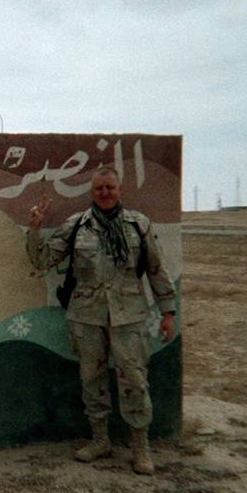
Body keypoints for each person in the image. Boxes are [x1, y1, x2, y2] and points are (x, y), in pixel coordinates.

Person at [26, 166, 176, 475]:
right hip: (87, 317)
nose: (105, 193)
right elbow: (43, 260)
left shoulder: (139, 225)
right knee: (91, 380)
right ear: (92, 192)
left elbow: (156, 270)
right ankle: (100, 440)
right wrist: (35, 229)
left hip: (129, 317)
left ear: (119, 190)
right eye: (99, 188)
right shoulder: (76, 226)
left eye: (110, 187)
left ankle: (140, 447)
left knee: (134, 380)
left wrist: (168, 313)